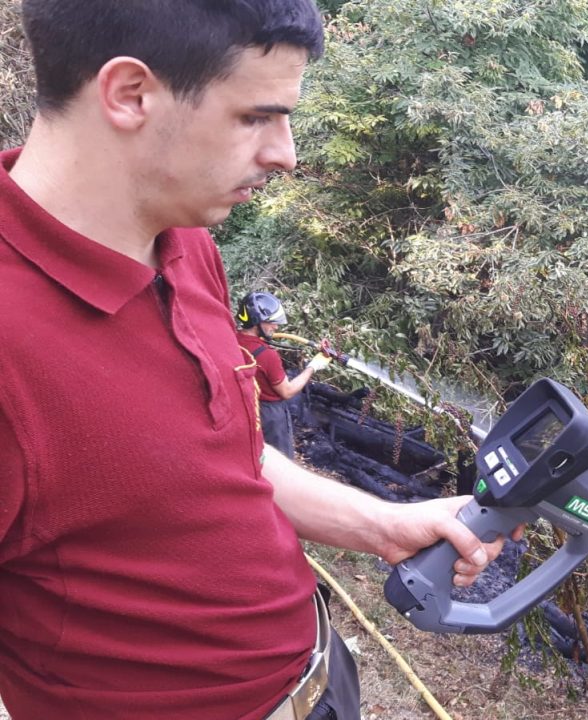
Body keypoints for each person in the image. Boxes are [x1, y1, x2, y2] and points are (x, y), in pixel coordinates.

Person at [0, 2, 517, 719]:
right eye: (256, 117)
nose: (286, 155)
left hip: (320, 677)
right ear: (130, 93)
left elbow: (224, 456)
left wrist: (381, 524)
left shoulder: (185, 242)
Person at [236, 290, 330, 459]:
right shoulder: (267, 355)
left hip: (246, 408)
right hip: (270, 416)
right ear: (257, 321)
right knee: (281, 460)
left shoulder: (233, 340)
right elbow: (287, 391)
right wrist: (313, 366)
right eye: (272, 322)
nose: (276, 327)